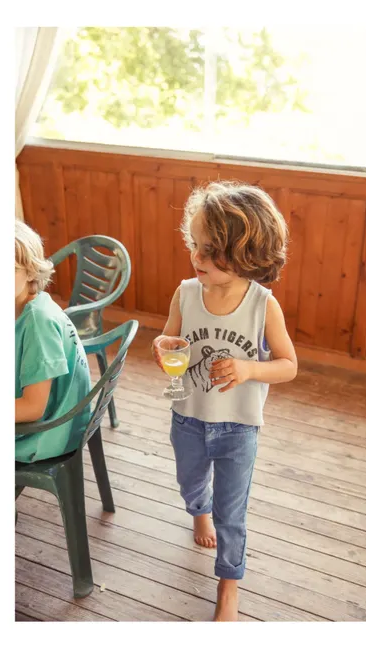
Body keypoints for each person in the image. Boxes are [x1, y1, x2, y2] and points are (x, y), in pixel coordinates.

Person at [152, 181, 298, 621]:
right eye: (195, 245)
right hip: (187, 417)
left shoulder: (263, 306)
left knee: (232, 512)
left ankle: (229, 584)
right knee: (190, 482)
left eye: (211, 250)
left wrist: (250, 369)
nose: (197, 257)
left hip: (239, 427)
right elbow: (169, 337)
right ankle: (198, 511)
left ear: (246, 253)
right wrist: (163, 346)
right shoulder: (185, 293)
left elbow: (288, 365)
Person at [15, 220, 91, 463]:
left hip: (45, 434)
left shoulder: (39, 321)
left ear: (30, 271)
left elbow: (32, 408)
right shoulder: (26, 303)